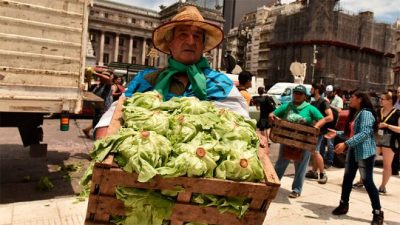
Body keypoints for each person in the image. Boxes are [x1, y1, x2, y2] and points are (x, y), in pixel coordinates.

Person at [94, 6, 262, 146]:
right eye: (182, 34)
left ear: (203, 45)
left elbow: (242, 124)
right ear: (169, 43)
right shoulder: (146, 80)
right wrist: (105, 139)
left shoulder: (220, 83)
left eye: (197, 36)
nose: (190, 41)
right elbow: (115, 115)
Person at [325, 92, 384, 225]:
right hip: (353, 152)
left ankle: (378, 212)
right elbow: (352, 133)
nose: (350, 99)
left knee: (368, 182)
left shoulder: (366, 114)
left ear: (360, 99)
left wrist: (345, 144)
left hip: (365, 153)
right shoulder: (357, 113)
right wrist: (337, 133)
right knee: (347, 179)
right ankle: (343, 205)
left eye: (352, 97)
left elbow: (364, 133)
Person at [269, 85, 326, 198]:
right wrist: (273, 117)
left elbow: (322, 118)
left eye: (300, 94)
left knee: (301, 166)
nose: (297, 96)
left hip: (304, 141)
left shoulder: (310, 108)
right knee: (281, 162)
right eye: (296, 93)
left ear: (305, 96)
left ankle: (296, 189)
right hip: (287, 139)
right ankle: (274, 184)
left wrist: (317, 127)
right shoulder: (287, 106)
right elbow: (272, 114)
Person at [305, 84, 333, 184]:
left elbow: (330, 116)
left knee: (315, 151)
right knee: (314, 151)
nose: (310, 91)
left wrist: (319, 124)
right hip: (314, 131)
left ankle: (322, 173)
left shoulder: (323, 102)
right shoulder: (313, 102)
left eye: (312, 89)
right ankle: (314, 171)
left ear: (316, 90)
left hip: (319, 131)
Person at [375, 92, 400, 193]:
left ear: (390, 101)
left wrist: (387, 126)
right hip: (377, 138)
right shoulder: (378, 111)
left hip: (390, 140)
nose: (380, 100)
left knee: (386, 165)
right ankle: (362, 181)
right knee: (368, 160)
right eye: (380, 99)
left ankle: (382, 186)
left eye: (383, 99)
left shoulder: (397, 113)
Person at [82, 70, 114, 138]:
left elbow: (107, 79)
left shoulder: (108, 84)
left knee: (101, 123)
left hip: (104, 108)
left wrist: (95, 73)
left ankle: (98, 136)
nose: (102, 78)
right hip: (98, 108)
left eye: (104, 76)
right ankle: (95, 135)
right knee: (96, 122)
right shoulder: (98, 85)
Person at [323, 85, 343, 168]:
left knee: (330, 144)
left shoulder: (339, 99)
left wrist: (328, 104)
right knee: (322, 144)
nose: (328, 94)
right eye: (327, 92)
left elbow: (339, 110)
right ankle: (323, 159)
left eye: (330, 93)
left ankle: (329, 162)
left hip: (333, 124)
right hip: (325, 123)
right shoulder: (325, 98)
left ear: (334, 92)